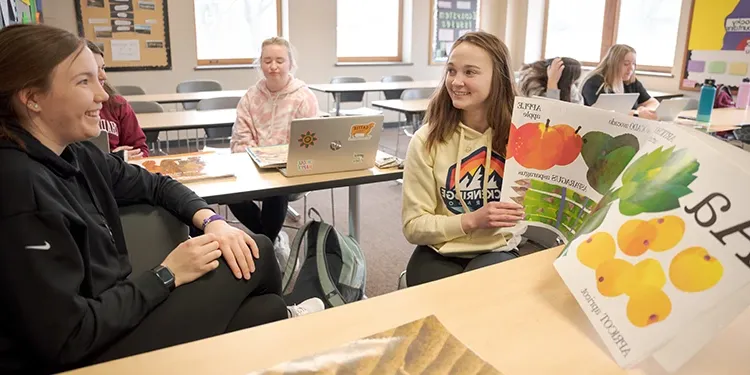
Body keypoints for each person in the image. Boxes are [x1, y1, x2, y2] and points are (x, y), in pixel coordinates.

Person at [0, 24, 321, 374]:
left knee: (266, 309)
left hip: (113, 312)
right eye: (83, 82)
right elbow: (67, 338)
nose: (103, 95)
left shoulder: (76, 154)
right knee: (257, 251)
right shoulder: (20, 186)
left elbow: (156, 185)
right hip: (83, 352)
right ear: (31, 97)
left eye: (99, 78)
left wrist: (211, 221)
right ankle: (292, 331)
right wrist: (166, 275)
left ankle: (285, 321)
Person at [401, 31, 526, 287]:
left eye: (470, 72)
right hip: (440, 248)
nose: (456, 82)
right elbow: (414, 226)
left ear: (498, 78)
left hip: (498, 248)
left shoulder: (522, 138)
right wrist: (472, 220)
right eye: (451, 71)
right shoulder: (426, 140)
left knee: (481, 296)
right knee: (435, 306)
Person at [229, 36, 319, 248]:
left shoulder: (304, 97)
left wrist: (277, 161)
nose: (273, 66)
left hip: (290, 171)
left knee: (275, 189)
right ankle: (272, 240)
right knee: (231, 196)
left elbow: (310, 142)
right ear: (260, 63)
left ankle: (266, 245)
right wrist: (256, 160)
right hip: (252, 166)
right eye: (267, 60)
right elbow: (240, 137)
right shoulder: (250, 97)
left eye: (279, 60)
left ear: (290, 63)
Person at [86, 40, 149, 159]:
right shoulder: (69, 110)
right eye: (95, 69)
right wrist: (114, 158)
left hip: (121, 174)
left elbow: (140, 149)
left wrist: (125, 159)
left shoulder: (117, 104)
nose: (103, 75)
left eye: (103, 68)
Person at [580, 44, 660, 119]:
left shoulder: (631, 82)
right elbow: (606, 114)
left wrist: (645, 111)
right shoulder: (595, 82)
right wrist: (636, 114)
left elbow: (653, 102)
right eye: (626, 64)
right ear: (613, 64)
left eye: (633, 64)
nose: (631, 68)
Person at [518, 57, 583, 103]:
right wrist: (552, 82)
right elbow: (550, 110)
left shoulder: (569, 85)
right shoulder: (531, 82)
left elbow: (579, 107)